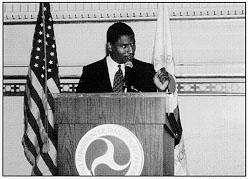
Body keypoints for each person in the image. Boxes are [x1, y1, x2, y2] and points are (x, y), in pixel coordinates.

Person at [76, 22, 168, 93]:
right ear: (110, 46)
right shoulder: (91, 72)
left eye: (132, 44)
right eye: (124, 46)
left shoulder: (145, 71)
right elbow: (79, 106)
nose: (131, 50)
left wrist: (161, 90)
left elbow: (152, 108)